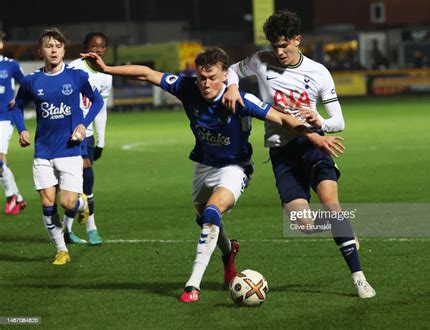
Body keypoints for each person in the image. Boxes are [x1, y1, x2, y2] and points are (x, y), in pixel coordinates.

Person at [82, 47, 344, 302]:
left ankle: (192, 284)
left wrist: (315, 137)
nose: (206, 84)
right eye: (202, 78)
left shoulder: (241, 100)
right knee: (204, 218)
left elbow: (283, 118)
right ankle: (229, 252)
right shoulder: (187, 87)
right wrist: (107, 68)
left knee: (211, 212)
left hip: (235, 168)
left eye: (212, 78)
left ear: (224, 77)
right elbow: (147, 74)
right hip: (204, 165)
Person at [223, 10, 376, 298]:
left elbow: (338, 121)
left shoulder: (318, 72)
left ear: (297, 40)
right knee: (302, 224)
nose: (279, 52)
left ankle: (359, 278)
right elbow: (231, 69)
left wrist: (320, 122)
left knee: (331, 203)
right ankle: (340, 225)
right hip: (281, 152)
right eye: (274, 46)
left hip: (313, 145)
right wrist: (233, 86)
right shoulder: (260, 60)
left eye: (284, 45)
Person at [10, 28, 104, 265]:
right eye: (48, 46)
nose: (53, 50)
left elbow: (98, 100)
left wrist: (83, 124)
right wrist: (21, 129)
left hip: (70, 149)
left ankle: (82, 204)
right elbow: (17, 106)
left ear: (64, 50)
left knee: (68, 203)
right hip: (42, 152)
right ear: (40, 51)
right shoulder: (32, 81)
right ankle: (61, 250)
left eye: (57, 46)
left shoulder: (76, 77)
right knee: (47, 203)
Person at [67, 32, 113, 245]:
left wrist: (101, 140)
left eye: (102, 46)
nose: (98, 49)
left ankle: (89, 228)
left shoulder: (106, 75)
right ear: (85, 47)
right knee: (77, 181)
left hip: (88, 136)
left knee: (85, 180)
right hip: (70, 133)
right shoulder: (74, 68)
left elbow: (100, 109)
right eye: (93, 45)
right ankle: (78, 228)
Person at [0, 31, 27, 215]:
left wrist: (17, 99)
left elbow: (26, 85)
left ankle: (11, 196)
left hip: (4, 118)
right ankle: (18, 197)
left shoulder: (10, 65)